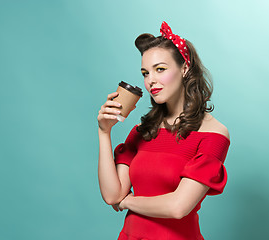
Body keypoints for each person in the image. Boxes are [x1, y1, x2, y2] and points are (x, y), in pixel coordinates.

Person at [97, 21, 230, 240]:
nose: (151, 81)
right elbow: (112, 195)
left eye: (160, 69)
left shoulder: (213, 134)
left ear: (185, 69)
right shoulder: (142, 132)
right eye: (145, 73)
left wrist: (128, 201)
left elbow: (178, 207)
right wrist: (104, 132)